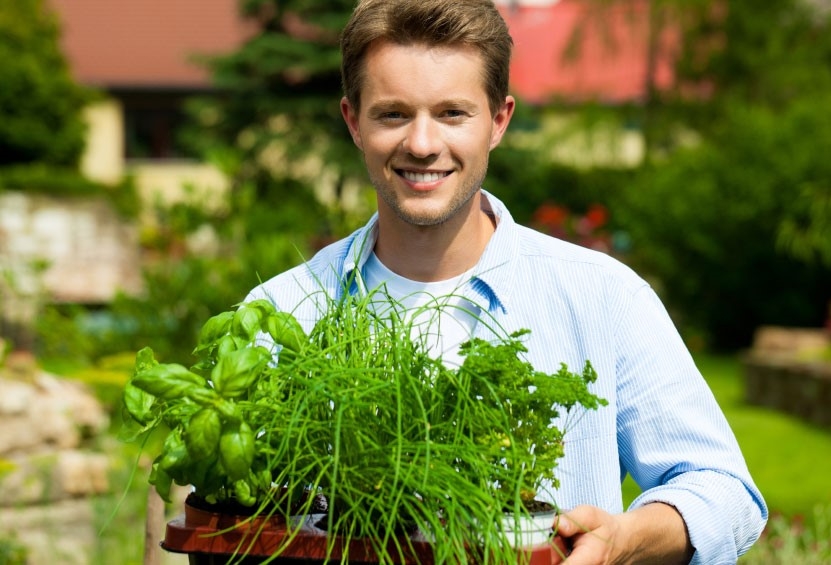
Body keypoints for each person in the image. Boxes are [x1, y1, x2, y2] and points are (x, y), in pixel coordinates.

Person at [245, 0, 768, 562]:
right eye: (393, 114)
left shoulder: (603, 298)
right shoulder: (281, 313)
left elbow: (723, 492)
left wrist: (625, 539)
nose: (422, 143)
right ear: (353, 121)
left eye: (452, 113)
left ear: (498, 121)